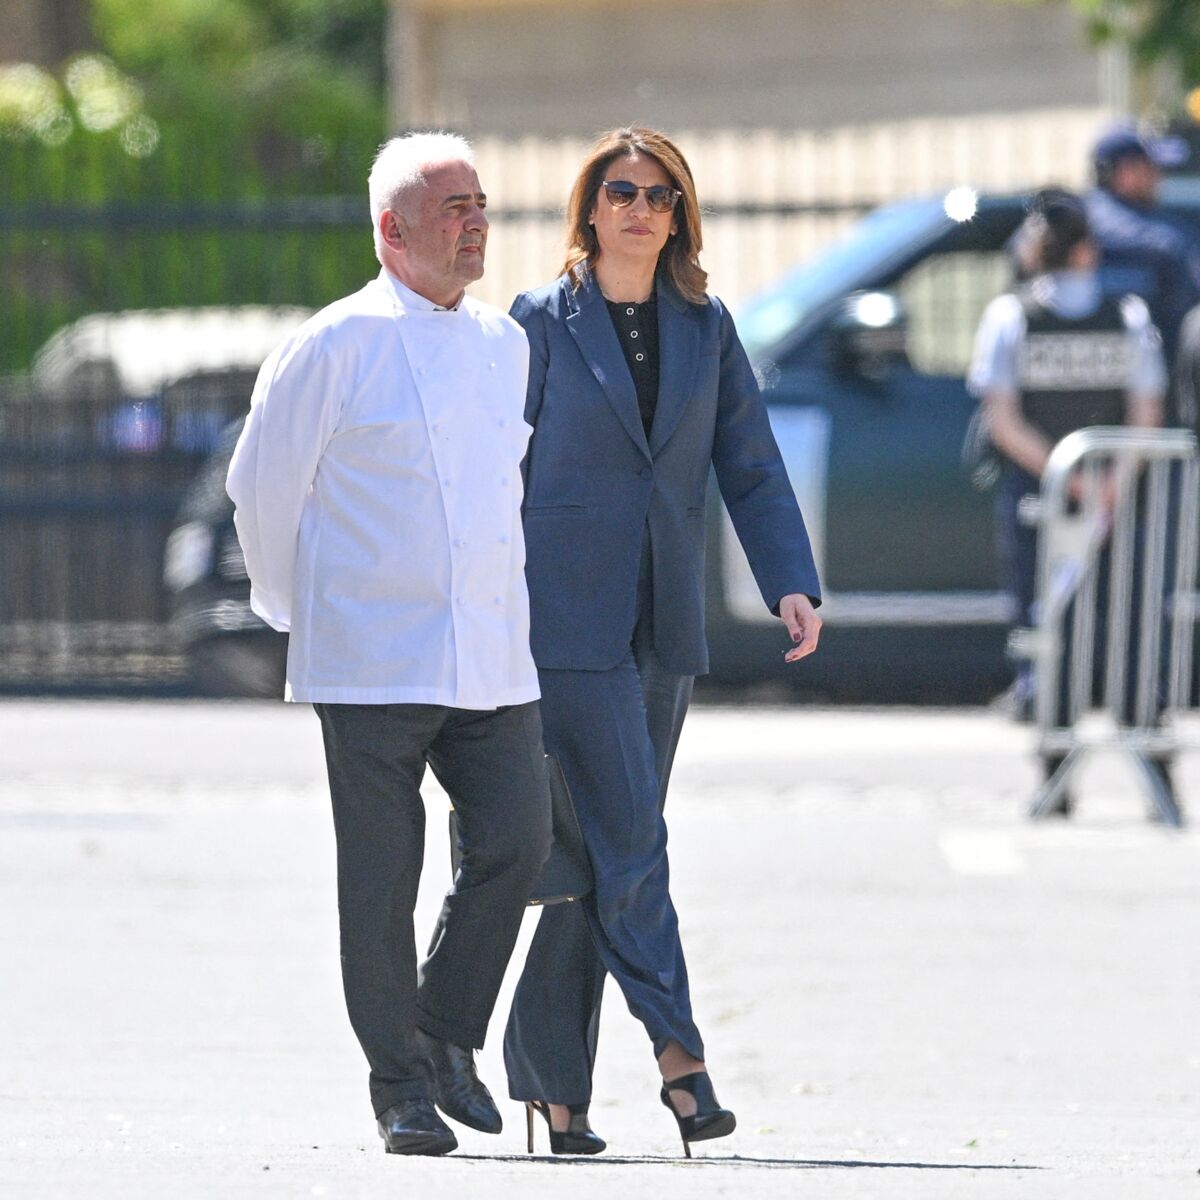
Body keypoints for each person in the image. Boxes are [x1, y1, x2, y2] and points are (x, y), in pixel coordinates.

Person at [225, 132, 551, 1156]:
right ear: (391, 231)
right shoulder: (333, 345)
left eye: (480, 204)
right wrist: (296, 611)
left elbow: (501, 498)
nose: (475, 222)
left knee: (520, 838)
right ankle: (398, 1088)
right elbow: (261, 490)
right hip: (368, 655)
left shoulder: (507, 345)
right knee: (380, 879)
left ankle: (448, 1030)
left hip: (490, 651)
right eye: (452, 207)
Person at [502, 127, 822, 1156]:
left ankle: (552, 1088)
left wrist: (790, 583)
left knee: (599, 856)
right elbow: (496, 471)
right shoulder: (540, 323)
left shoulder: (704, 323)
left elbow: (752, 462)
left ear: (680, 214)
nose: (640, 208)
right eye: (621, 191)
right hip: (565, 619)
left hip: (662, 621)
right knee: (632, 838)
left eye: (660, 195)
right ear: (588, 208)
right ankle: (682, 1062)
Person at [969, 188, 1167, 805]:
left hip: (1043, 500)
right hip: (1119, 501)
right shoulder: (1128, 314)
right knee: (1132, 626)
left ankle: (1054, 779)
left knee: (1046, 626)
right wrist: (1110, 485)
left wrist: (1067, 478)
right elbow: (1147, 414)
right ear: (1088, 250)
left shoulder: (1011, 316)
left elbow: (1001, 420)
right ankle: (1157, 772)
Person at [1085, 122, 1200, 384]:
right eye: (1151, 167)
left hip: (1070, 389)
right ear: (1125, 171)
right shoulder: (1169, 239)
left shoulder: (1068, 226)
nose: (1159, 177)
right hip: (1161, 391)